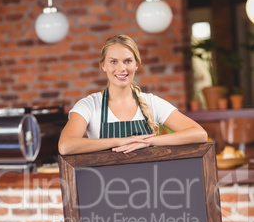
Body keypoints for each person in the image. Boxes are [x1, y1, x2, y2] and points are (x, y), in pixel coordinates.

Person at [58, 34, 207, 155]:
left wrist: (148, 141)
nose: (121, 68)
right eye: (114, 62)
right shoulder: (89, 105)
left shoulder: (151, 102)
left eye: (128, 61)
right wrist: (121, 141)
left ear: (136, 64)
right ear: (104, 66)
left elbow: (199, 134)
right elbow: (66, 145)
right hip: (105, 188)